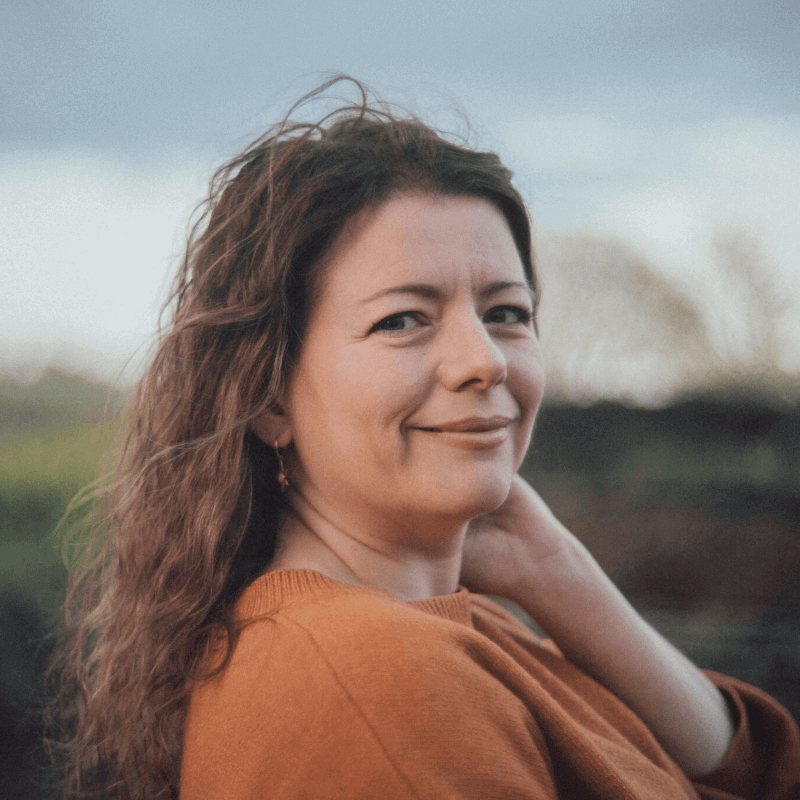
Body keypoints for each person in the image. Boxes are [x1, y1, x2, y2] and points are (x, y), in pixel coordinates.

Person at [47, 77, 800, 800]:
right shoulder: (381, 678)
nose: (485, 360)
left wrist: (557, 571)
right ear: (268, 398)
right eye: (403, 319)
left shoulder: (449, 630)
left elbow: (764, 779)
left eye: (506, 312)